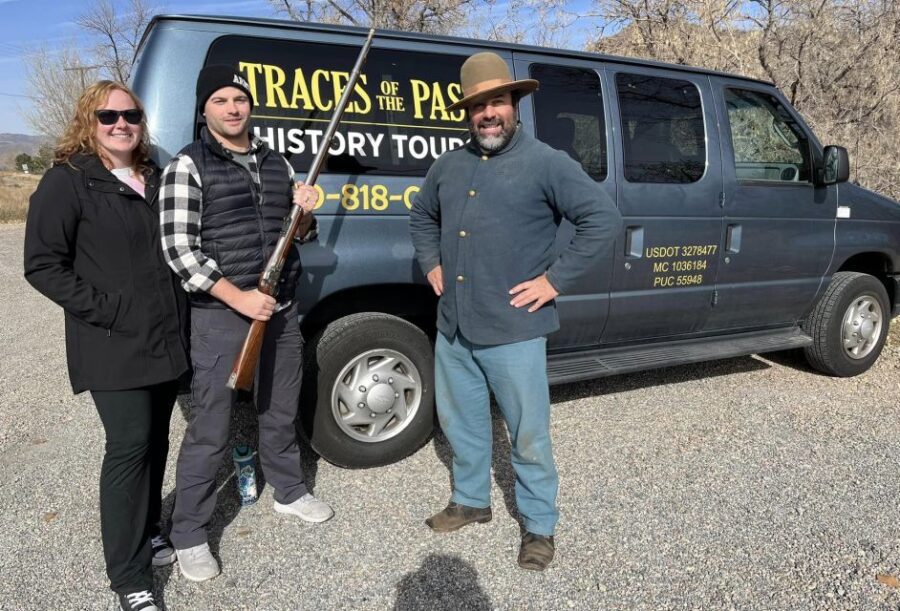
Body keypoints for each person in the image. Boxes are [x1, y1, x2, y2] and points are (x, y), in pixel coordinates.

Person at [409, 52, 622, 571]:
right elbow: (421, 215)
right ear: (468, 113)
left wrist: (554, 281)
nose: (488, 113)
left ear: (515, 105)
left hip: (514, 328)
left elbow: (603, 219)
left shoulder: (547, 163)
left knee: (527, 435)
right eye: (478, 106)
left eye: (498, 102)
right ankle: (471, 500)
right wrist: (432, 262)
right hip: (455, 326)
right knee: (461, 422)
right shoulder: (448, 166)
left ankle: (539, 525)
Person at [159, 64, 332, 583]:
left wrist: (306, 213)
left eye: (240, 99)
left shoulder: (277, 163)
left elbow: (298, 234)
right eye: (220, 100)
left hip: (280, 310)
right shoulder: (188, 165)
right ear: (204, 109)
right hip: (222, 315)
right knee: (210, 429)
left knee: (279, 409)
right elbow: (178, 250)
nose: (233, 108)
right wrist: (239, 297)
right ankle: (189, 532)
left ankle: (289, 491)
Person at [24, 81, 189, 611]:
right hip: (113, 342)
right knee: (129, 446)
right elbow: (43, 265)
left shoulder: (156, 176)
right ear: (88, 122)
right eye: (108, 116)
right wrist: (108, 310)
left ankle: (149, 529)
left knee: (157, 441)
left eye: (131, 115)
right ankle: (128, 576)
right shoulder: (68, 181)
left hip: (166, 336)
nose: (121, 124)